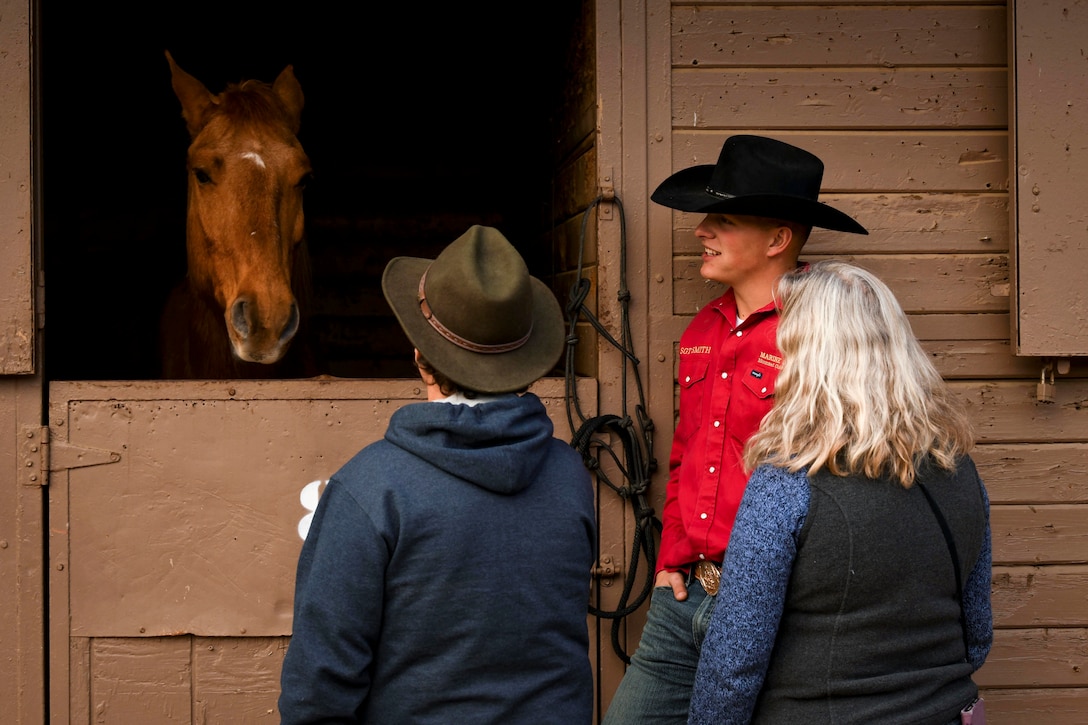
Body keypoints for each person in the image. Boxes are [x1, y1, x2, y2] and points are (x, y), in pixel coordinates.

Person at [278, 225, 597, 724]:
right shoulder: (570, 475)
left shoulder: (369, 489)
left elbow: (318, 689)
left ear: (421, 358)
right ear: (524, 362)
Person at [603, 135, 868, 723]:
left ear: (777, 239)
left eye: (722, 218)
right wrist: (672, 553)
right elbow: (687, 454)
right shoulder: (705, 325)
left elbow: (845, 473)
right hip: (686, 592)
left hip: (773, 601)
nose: (702, 230)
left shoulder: (819, 333)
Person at [688, 261, 993, 724]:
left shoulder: (787, 483)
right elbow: (977, 636)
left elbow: (734, 666)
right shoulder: (960, 471)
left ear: (808, 357)